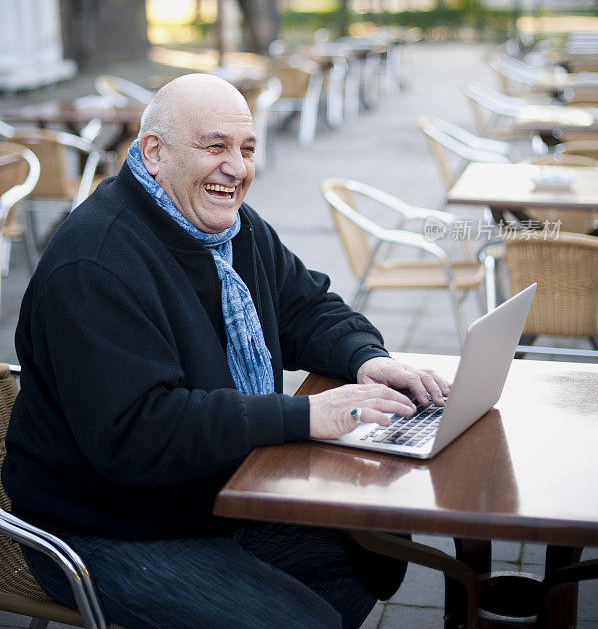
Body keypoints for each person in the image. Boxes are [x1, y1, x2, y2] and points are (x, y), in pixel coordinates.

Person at [3, 74, 449, 629]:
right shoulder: (95, 262)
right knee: (301, 621)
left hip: (210, 489)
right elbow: (140, 432)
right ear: (154, 153)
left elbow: (305, 306)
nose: (237, 168)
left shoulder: (232, 229)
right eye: (215, 147)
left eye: (247, 148)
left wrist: (366, 357)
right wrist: (306, 415)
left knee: (370, 543)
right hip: (104, 525)